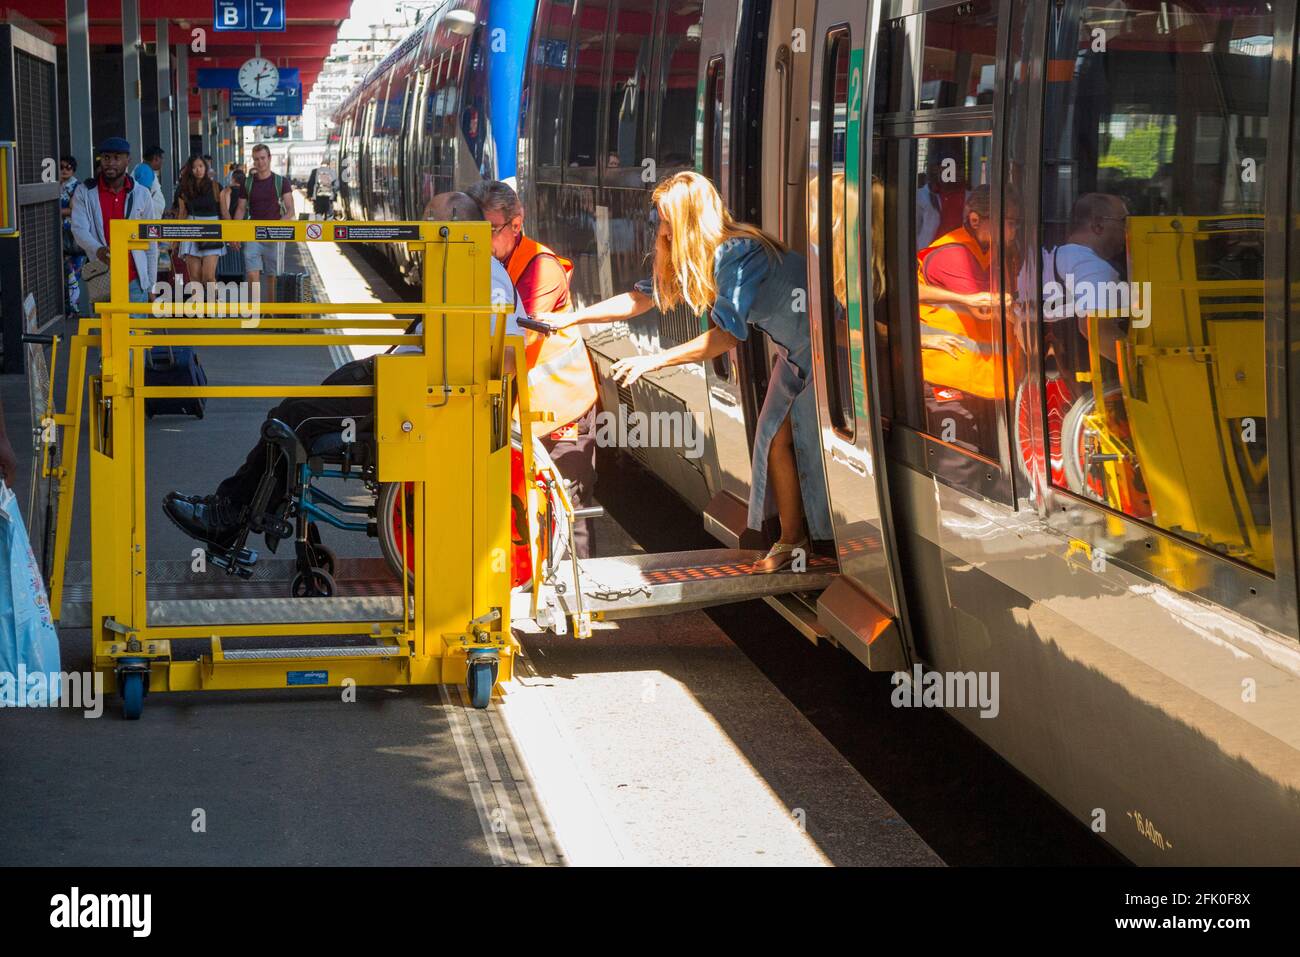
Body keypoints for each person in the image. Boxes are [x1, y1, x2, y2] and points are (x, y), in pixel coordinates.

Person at [161, 192, 526, 547]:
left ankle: (229, 516)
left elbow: (502, 353)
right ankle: (232, 510)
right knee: (291, 413)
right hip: (395, 379)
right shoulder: (461, 266)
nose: (421, 225)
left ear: (456, 227)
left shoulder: (485, 275)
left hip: (412, 394)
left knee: (294, 420)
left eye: (430, 218)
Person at [539, 171, 832, 572]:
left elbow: (727, 337)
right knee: (772, 438)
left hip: (822, 349)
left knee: (784, 440)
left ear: (690, 219)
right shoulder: (705, 253)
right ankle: (792, 540)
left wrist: (653, 360)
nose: (661, 229)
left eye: (666, 220)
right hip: (795, 350)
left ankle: (802, 542)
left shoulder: (737, 253)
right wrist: (572, 319)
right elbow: (642, 298)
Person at [468, 179, 601, 558]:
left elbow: (514, 339)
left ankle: (582, 603)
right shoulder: (497, 263)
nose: (484, 240)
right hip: (529, 409)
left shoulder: (540, 268)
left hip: (562, 411)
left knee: (568, 505)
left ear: (516, 223)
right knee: (535, 505)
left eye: (491, 230)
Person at [915, 185, 1002, 455]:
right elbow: (988, 307)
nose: (1015, 230)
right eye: (1009, 222)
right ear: (975, 220)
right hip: (948, 381)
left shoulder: (993, 250)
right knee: (960, 464)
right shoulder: (955, 254)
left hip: (982, 381)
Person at [70, 136, 158, 305]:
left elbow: (150, 241)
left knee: (136, 331)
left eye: (117, 158)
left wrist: (151, 284)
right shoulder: (85, 192)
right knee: (103, 330)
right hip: (101, 276)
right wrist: (98, 249)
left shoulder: (142, 194)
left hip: (134, 279)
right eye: (106, 158)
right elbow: (79, 229)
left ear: (128, 161)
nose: (110, 163)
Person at [243, 143, 295, 302]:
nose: (260, 162)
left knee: (272, 275)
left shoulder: (281, 182)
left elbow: (290, 210)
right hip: (253, 234)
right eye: (256, 159)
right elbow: (240, 209)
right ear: (253, 161)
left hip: (274, 235)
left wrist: (277, 226)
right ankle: (257, 309)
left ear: (269, 158)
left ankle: (270, 310)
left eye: (263, 158)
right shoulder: (248, 183)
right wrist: (234, 234)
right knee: (252, 273)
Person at [175, 155, 229, 292]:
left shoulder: (216, 187)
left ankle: (213, 309)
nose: (198, 170)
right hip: (191, 229)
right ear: (190, 170)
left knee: (208, 277)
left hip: (212, 230)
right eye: (194, 167)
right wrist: (175, 239)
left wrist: (232, 235)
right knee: (194, 277)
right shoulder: (184, 189)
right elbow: (182, 214)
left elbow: (224, 213)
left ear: (206, 167)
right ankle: (199, 310)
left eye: (200, 166)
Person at [59, 155, 85, 316]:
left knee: (73, 271)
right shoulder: (55, 185)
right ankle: (66, 307)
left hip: (73, 233)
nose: (64, 170)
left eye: (68, 167)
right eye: (61, 167)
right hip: (58, 233)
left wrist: (56, 211)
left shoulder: (76, 186)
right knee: (62, 272)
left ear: (73, 169)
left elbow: (74, 208)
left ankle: (73, 307)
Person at [132, 145, 165, 216]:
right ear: (156, 158)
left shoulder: (144, 169)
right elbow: (143, 195)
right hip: (147, 219)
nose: (163, 161)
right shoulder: (146, 170)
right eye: (162, 158)